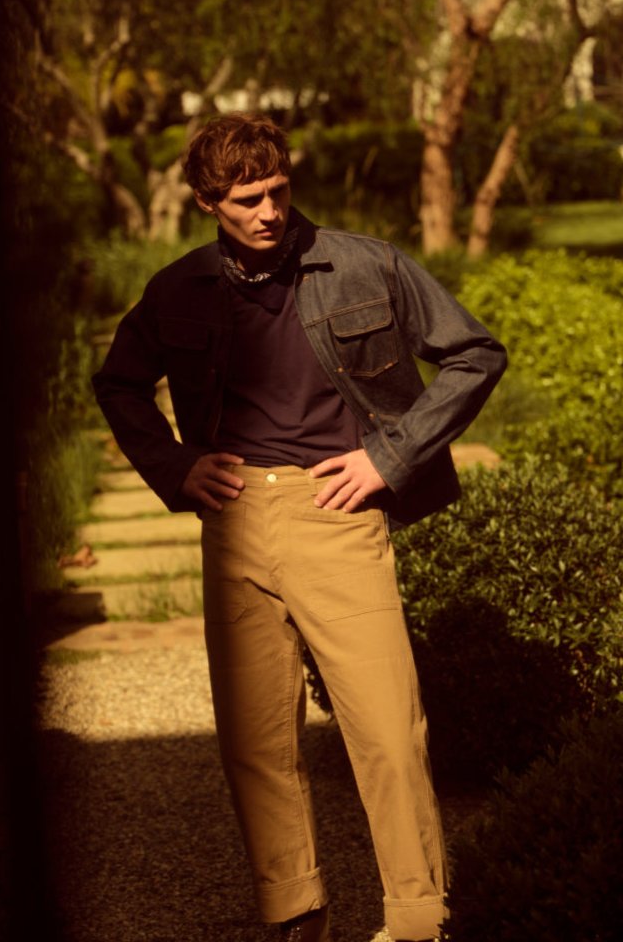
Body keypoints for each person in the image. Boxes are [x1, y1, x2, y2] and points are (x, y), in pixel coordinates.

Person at [92, 112, 506, 942]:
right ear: (209, 201)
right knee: (256, 745)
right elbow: (120, 385)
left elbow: (475, 354)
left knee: (389, 733)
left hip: (336, 514)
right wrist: (178, 469)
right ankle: (296, 912)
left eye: (278, 191)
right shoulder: (178, 289)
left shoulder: (364, 263)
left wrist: (387, 457)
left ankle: (420, 921)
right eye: (247, 199)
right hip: (235, 518)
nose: (270, 212)